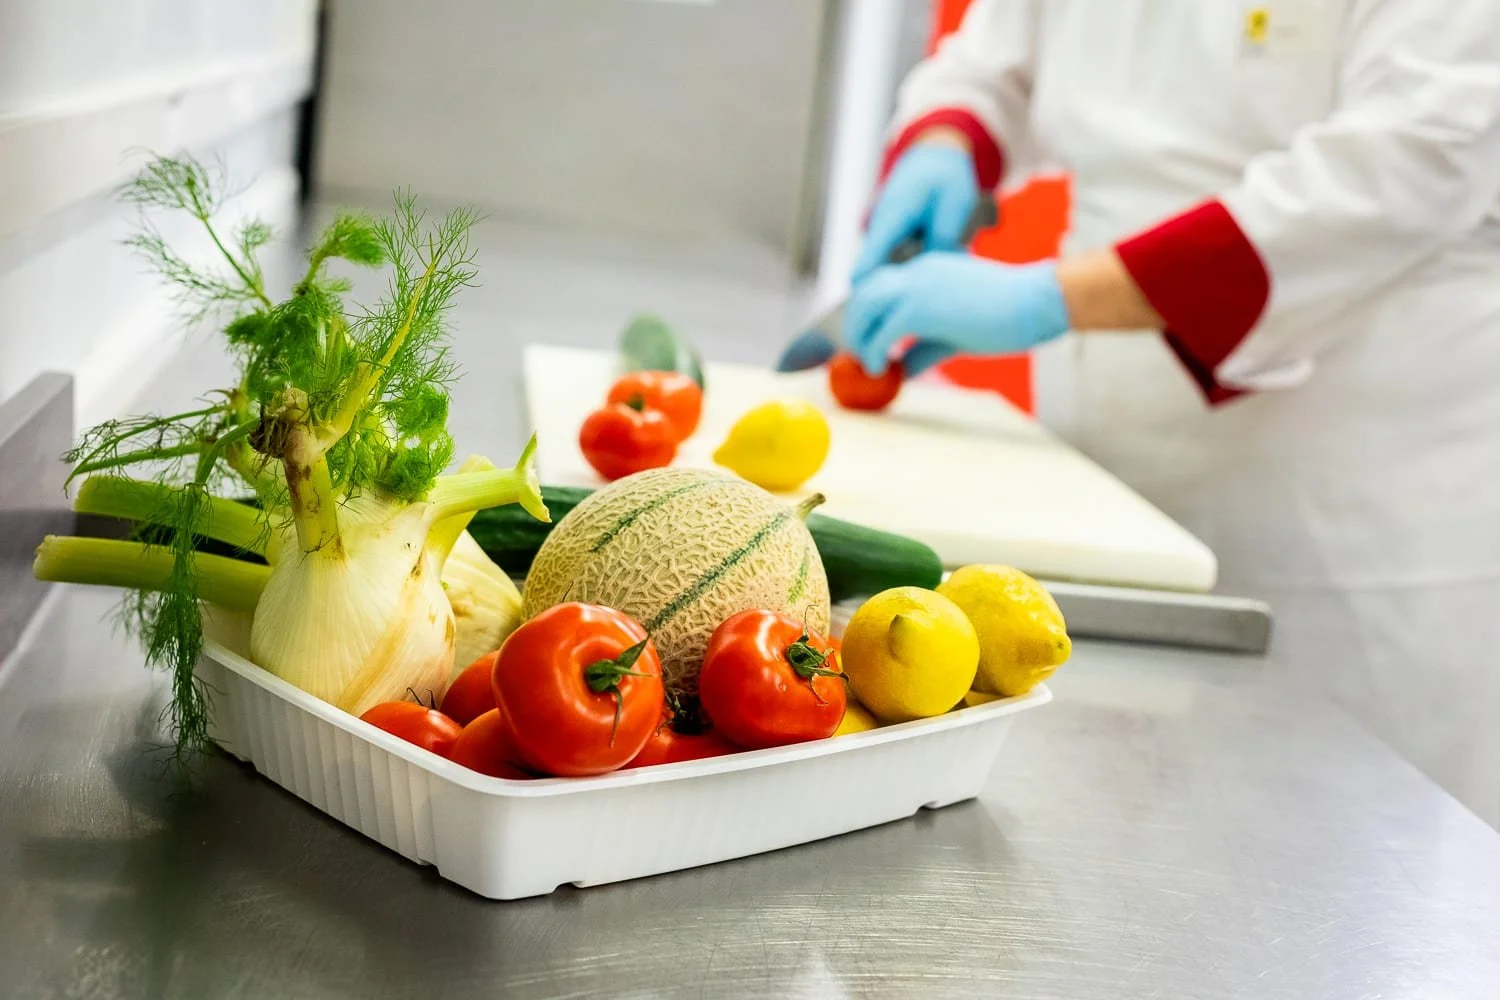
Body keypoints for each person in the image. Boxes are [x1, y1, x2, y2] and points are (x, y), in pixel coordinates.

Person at [822, 0, 1500, 827]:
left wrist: (1051, 295)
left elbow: (1407, 167)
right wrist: (947, 141)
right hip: (1109, 427)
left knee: (1344, 822)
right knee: (1095, 803)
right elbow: (999, 52)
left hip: (1358, 466)